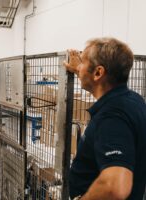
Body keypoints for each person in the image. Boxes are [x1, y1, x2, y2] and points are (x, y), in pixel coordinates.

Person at [64, 37, 146, 200]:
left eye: (83, 61)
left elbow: (115, 187)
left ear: (98, 73)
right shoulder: (133, 100)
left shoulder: (111, 117)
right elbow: (101, 88)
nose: (80, 65)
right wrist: (79, 69)